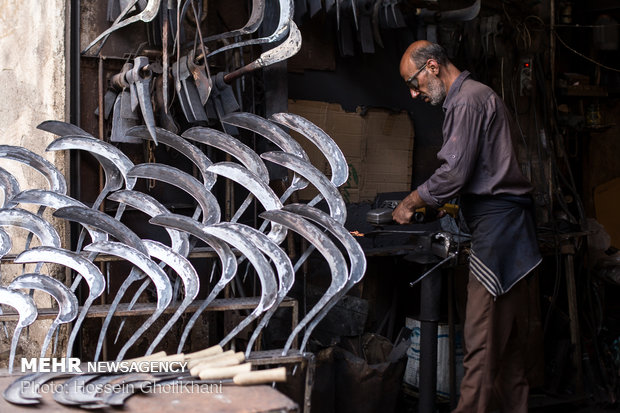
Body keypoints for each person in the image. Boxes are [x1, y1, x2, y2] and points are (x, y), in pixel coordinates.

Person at [393, 40, 542, 413]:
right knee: (503, 346)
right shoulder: (474, 97)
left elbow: (454, 173)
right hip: (506, 227)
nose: (414, 93)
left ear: (431, 67)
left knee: (479, 341)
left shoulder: (467, 100)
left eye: (414, 83)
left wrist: (411, 202)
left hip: (499, 229)